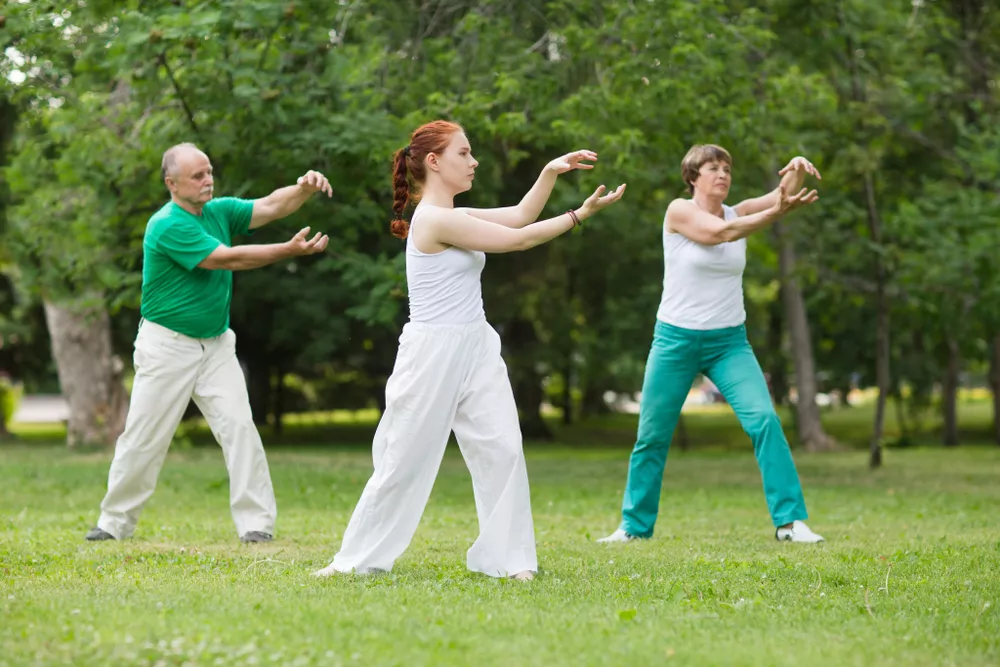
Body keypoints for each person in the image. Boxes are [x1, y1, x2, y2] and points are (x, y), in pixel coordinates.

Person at [312, 120, 626, 580]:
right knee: (403, 459)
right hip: (431, 352)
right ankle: (355, 561)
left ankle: (511, 560)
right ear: (434, 162)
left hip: (475, 343)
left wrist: (549, 173)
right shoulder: (436, 219)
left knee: (502, 448)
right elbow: (518, 240)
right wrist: (579, 214)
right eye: (464, 153)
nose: (474, 160)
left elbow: (520, 215)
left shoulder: (456, 214)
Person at [85, 143, 332, 544]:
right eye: (197, 176)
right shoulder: (167, 224)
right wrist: (287, 251)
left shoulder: (218, 211)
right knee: (144, 439)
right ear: (172, 183)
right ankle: (114, 524)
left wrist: (304, 188)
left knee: (240, 428)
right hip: (167, 347)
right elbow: (226, 259)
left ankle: (257, 525)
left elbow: (270, 206)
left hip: (216, 346)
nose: (208, 180)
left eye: (209, 171)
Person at [598, 144, 826, 545]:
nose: (722, 174)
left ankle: (790, 522)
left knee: (764, 420)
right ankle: (634, 527)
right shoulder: (679, 211)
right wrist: (775, 212)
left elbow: (779, 197)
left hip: (728, 344)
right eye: (712, 168)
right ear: (693, 177)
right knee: (652, 435)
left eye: (726, 168)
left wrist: (797, 169)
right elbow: (720, 234)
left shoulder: (738, 211)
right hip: (675, 341)